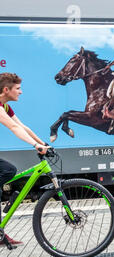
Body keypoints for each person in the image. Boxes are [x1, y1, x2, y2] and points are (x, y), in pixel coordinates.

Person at [0, 72, 49, 247]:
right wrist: (35, 146)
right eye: (18, 89)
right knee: (8, 170)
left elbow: (22, 126)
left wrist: (42, 143)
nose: (21, 92)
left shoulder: (5, 107)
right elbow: (13, 127)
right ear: (6, 90)